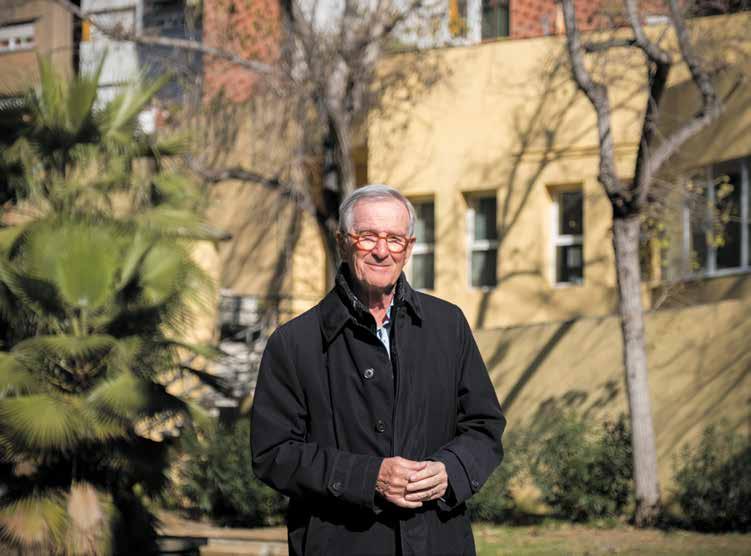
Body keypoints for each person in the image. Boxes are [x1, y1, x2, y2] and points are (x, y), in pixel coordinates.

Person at [251, 184, 506, 555]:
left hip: (438, 541)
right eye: (367, 237)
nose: (382, 251)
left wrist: (450, 470)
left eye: (394, 239)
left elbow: (484, 426)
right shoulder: (294, 343)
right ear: (343, 243)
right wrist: (369, 477)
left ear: (409, 247)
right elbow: (273, 454)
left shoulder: (448, 326)